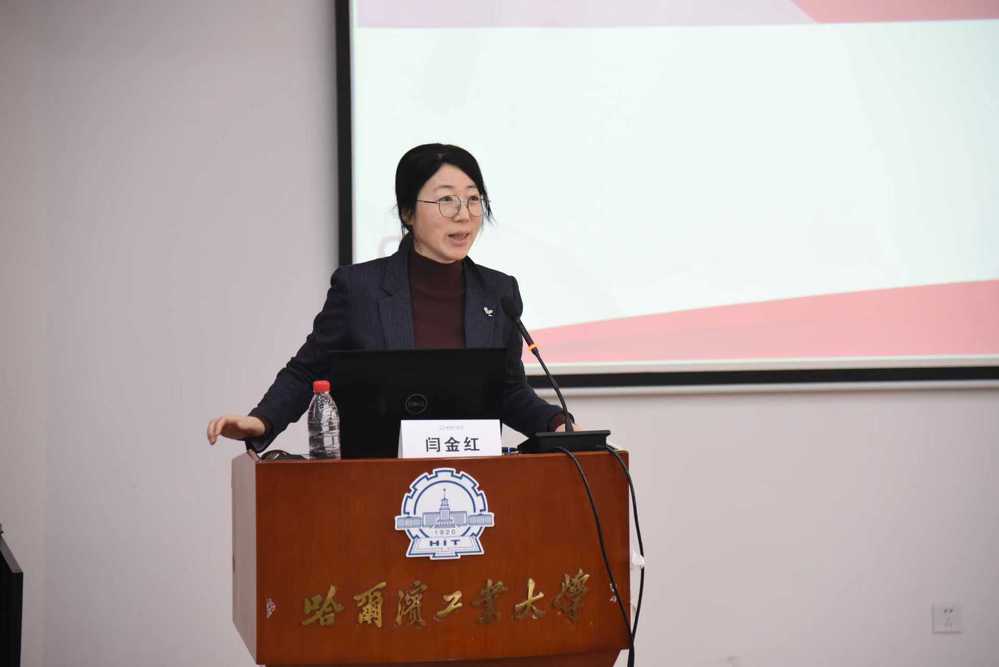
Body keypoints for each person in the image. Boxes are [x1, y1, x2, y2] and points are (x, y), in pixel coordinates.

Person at [206, 143, 570, 454]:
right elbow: (308, 370)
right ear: (408, 212)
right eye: (446, 199)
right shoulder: (360, 289)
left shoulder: (498, 292)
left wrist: (558, 424)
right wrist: (262, 420)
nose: (464, 214)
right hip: (376, 482)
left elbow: (508, 391)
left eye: (473, 199)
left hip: (470, 483)